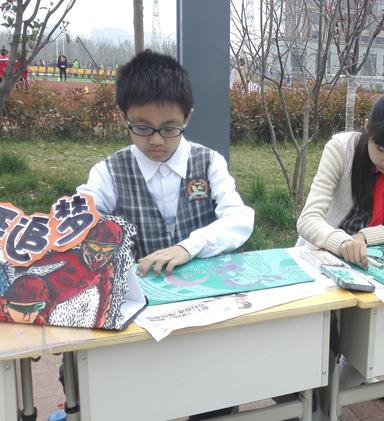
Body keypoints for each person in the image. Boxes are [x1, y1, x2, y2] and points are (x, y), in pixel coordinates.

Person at [77, 50, 254, 420]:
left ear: (187, 116)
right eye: (142, 127)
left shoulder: (208, 162)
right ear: (124, 116)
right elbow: (81, 220)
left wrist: (189, 246)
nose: (156, 140)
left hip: (203, 309)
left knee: (214, 394)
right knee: (118, 390)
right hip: (138, 312)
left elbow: (239, 218)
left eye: (170, 128)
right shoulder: (109, 172)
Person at [297, 90, 384, 421]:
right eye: (381, 149)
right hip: (327, 261)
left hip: (380, 262)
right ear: (366, 127)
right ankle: (323, 408)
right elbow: (308, 220)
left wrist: (368, 237)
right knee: (330, 347)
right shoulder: (341, 149)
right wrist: (340, 240)